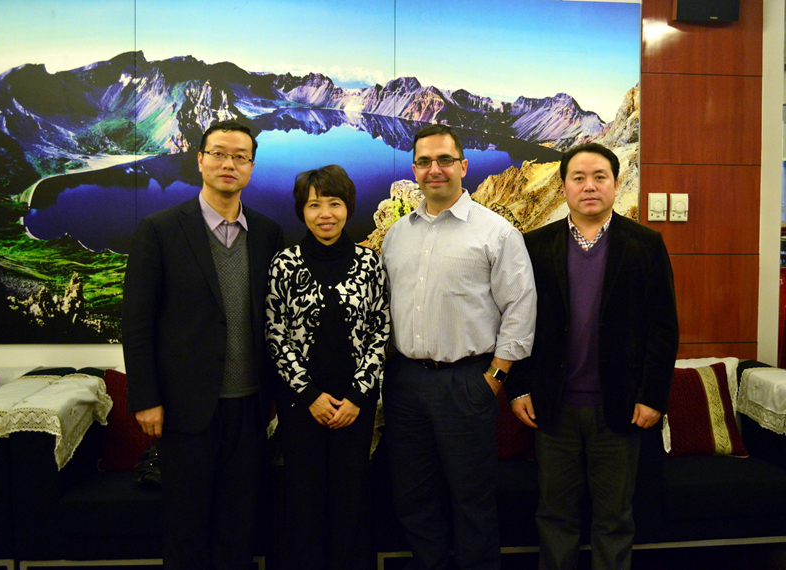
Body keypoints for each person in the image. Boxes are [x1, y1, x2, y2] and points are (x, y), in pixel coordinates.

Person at [506, 142, 679, 570]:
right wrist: (518, 387)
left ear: (616, 184)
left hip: (620, 408)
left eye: (599, 177)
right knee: (555, 516)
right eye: (578, 178)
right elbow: (516, 321)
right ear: (563, 186)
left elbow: (663, 328)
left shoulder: (645, 244)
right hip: (553, 408)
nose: (589, 186)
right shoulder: (535, 246)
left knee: (614, 519)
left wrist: (653, 396)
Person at [122, 120, 284, 569]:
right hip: (184, 409)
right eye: (218, 154)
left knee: (239, 527)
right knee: (186, 527)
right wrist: (146, 399)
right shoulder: (159, 230)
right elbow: (136, 322)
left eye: (240, 157)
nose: (229, 164)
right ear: (199, 160)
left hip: (250, 407)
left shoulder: (268, 233)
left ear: (251, 166)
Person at [381, 124, 537, 570]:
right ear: (414, 169)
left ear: (463, 166)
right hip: (405, 384)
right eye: (424, 161)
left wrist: (495, 378)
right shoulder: (397, 234)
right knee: (413, 498)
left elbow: (521, 309)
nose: (435, 169)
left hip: (467, 384)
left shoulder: (496, 233)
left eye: (445, 160)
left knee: (472, 502)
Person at [265, 164, 390, 570]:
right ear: (302, 211)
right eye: (314, 205)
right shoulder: (284, 264)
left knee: (351, 501)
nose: (325, 214)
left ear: (347, 207)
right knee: (303, 502)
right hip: (301, 405)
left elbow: (380, 331)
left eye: (334, 203)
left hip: (356, 406)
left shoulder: (370, 264)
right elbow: (275, 335)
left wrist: (357, 397)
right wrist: (309, 395)